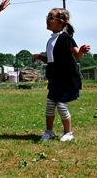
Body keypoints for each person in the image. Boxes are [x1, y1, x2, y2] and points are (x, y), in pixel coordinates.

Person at [32, 8, 90, 142]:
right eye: (47, 17)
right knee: (50, 105)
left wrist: (81, 50)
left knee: (62, 105)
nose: (47, 20)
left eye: (51, 17)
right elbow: (51, 59)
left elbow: (77, 55)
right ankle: (49, 132)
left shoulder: (66, 38)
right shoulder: (51, 40)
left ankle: (68, 133)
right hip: (54, 79)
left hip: (66, 78)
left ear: (62, 22)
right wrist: (40, 56)